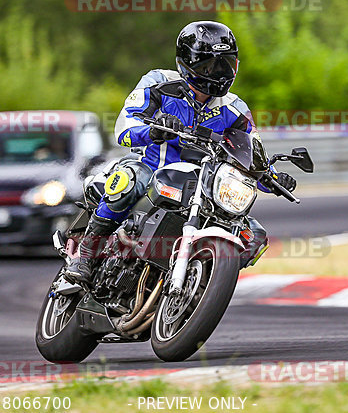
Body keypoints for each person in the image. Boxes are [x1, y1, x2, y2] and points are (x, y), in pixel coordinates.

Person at [65, 21, 296, 283]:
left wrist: (272, 176)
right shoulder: (159, 82)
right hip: (151, 170)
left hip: (202, 188)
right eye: (208, 65)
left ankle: (200, 284)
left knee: (254, 235)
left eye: (225, 64)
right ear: (187, 62)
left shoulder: (235, 108)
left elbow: (252, 149)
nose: (217, 73)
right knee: (131, 181)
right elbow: (125, 125)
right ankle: (86, 253)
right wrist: (153, 131)